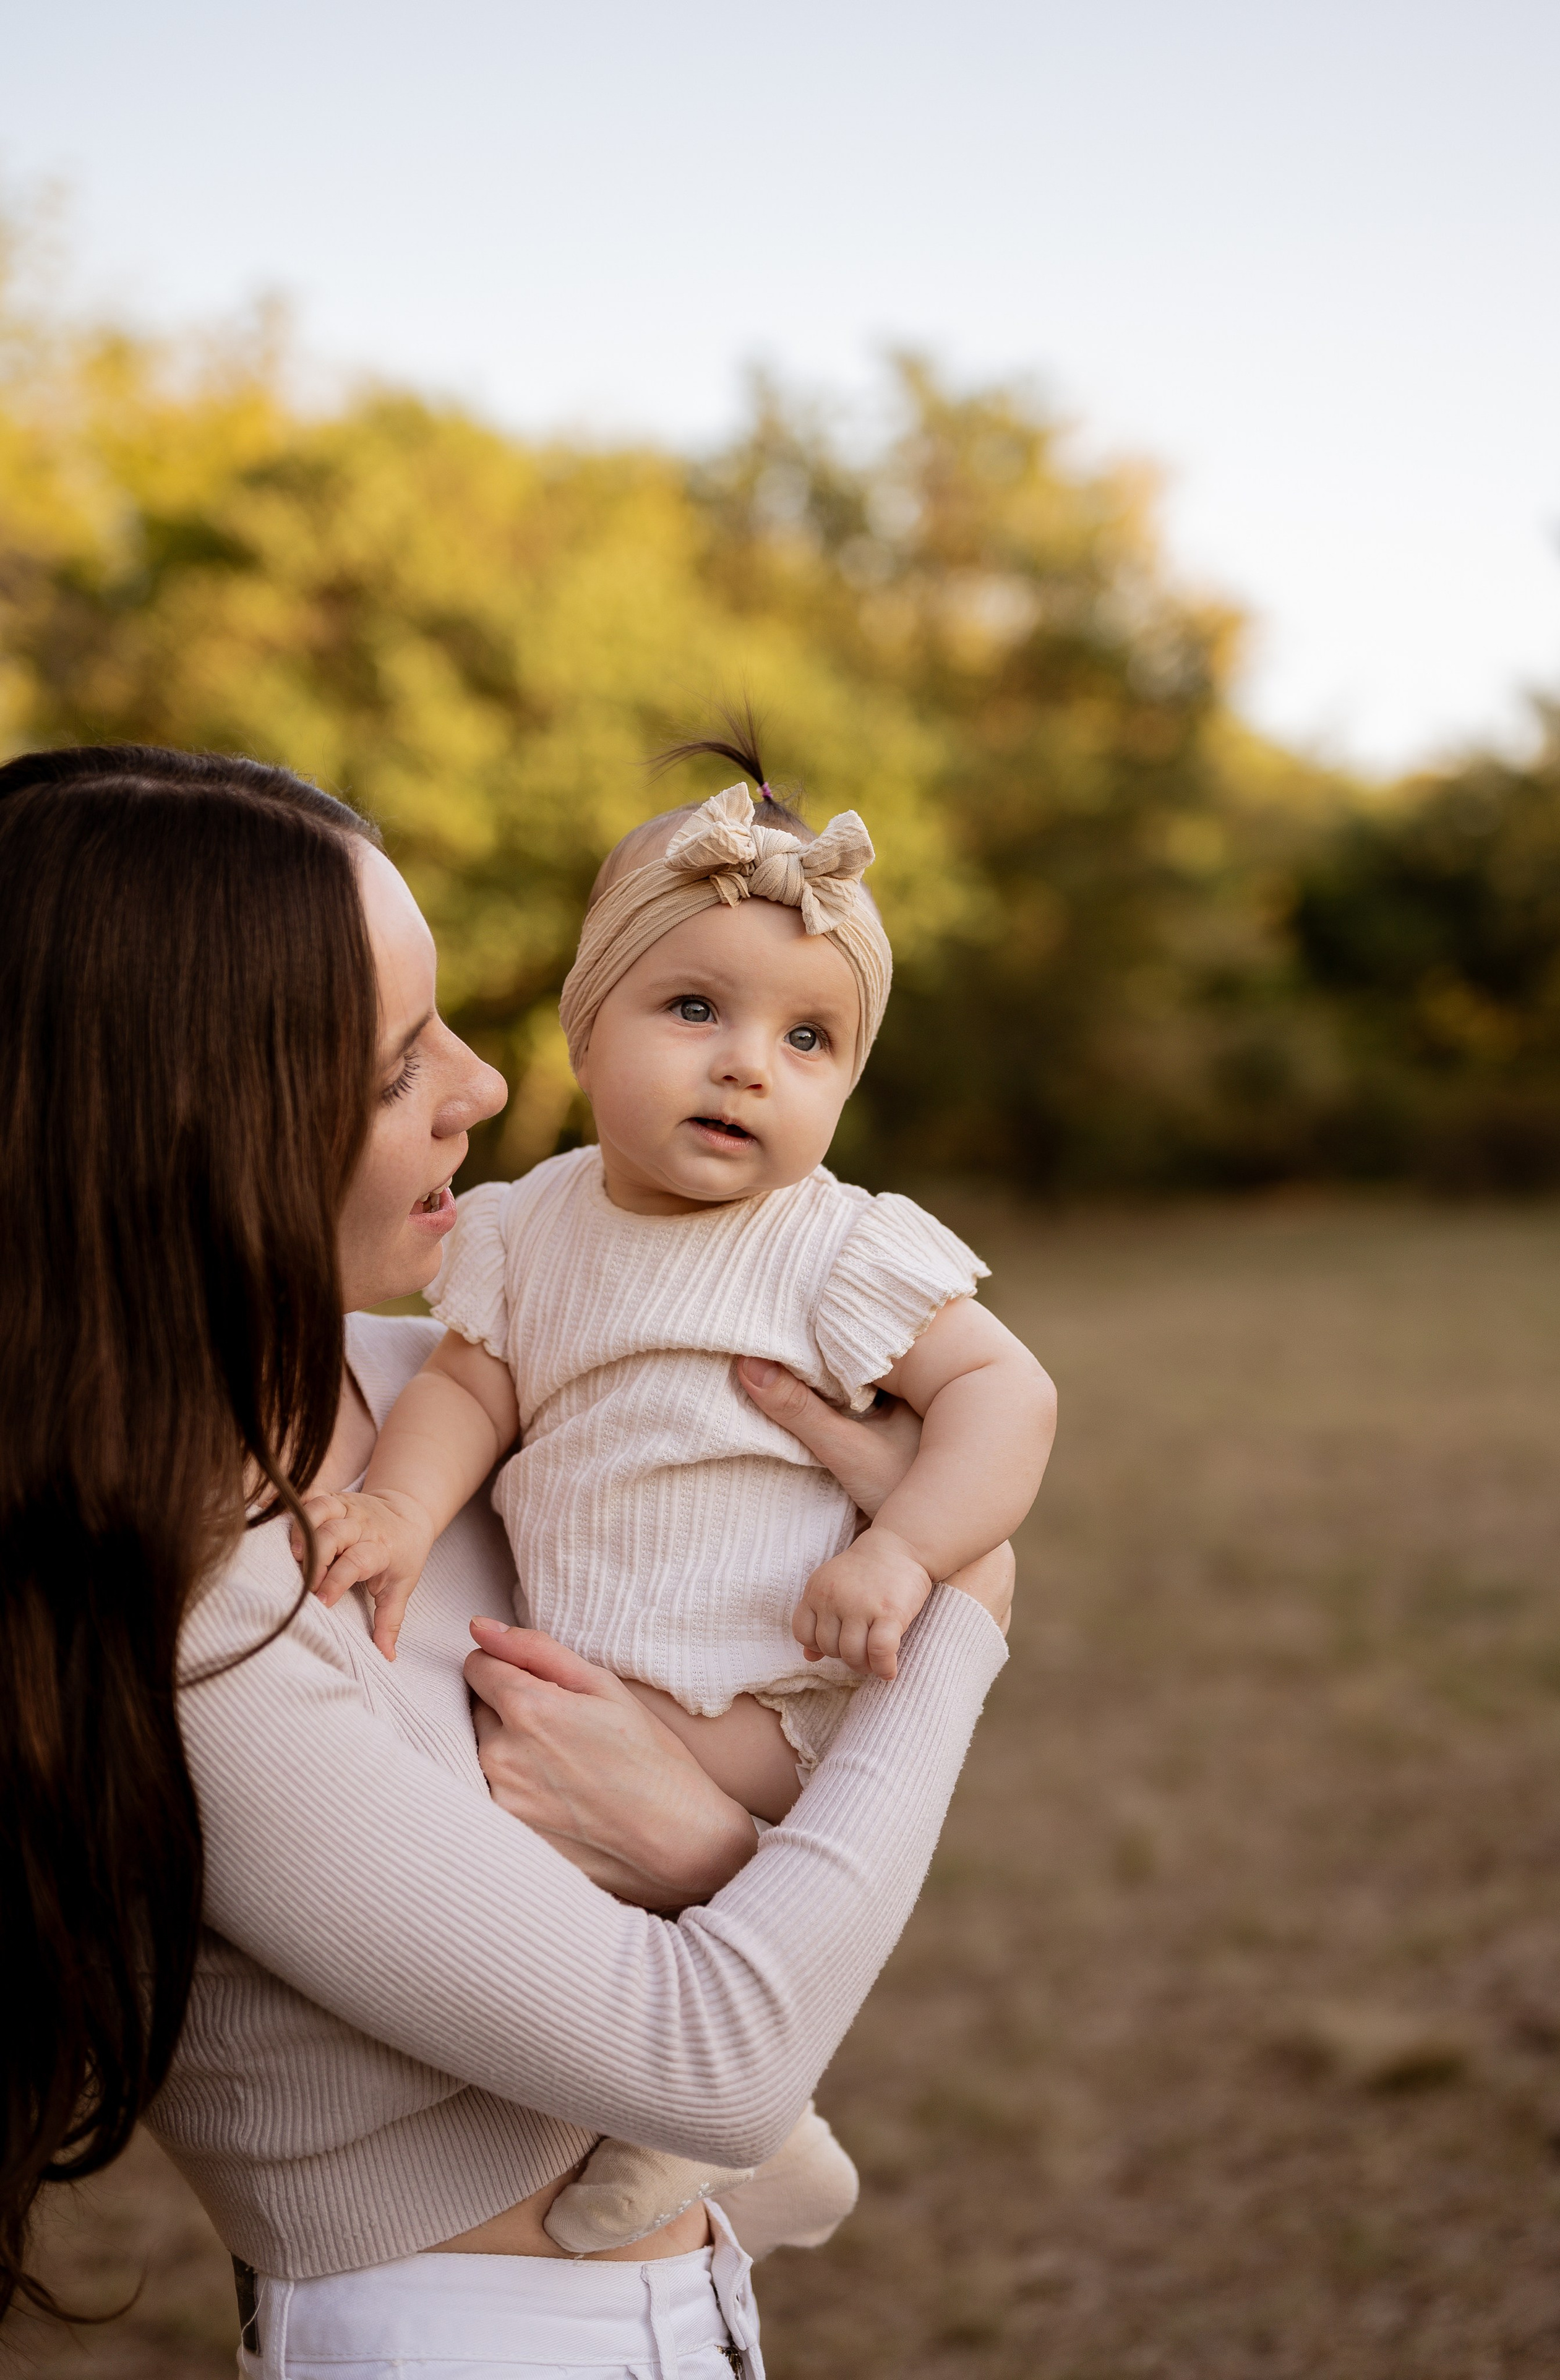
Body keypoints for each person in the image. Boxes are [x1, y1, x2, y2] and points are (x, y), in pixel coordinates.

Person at [0, 743, 1017, 2380]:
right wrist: (963, 1612)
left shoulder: (435, 1388)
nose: (480, 1086)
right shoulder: (184, 1601)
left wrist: (708, 1849)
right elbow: (712, 2059)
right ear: (189, 1129)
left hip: (685, 2311)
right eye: (397, 1063)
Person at [297, 738, 1058, 2256]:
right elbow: (467, 1393)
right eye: (695, 1008)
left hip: (769, 1685)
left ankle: (701, 2119)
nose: (746, 1064)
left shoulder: (834, 1247)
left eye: (807, 1038)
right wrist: (396, 1510)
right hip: (602, 1664)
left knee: (531, 1875)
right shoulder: (524, 1227)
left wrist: (904, 1551)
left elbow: (1006, 1395)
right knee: (517, 1861)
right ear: (586, 1026)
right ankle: (767, 2140)